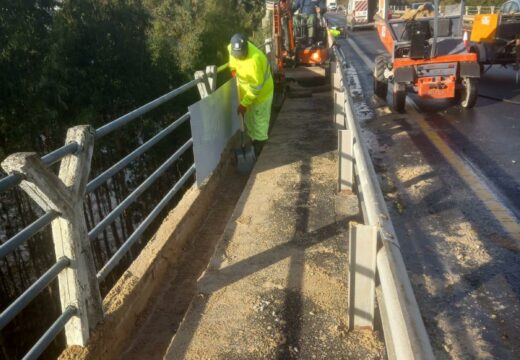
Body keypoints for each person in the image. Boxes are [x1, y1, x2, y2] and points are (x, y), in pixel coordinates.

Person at [228, 33, 274, 156]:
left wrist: (244, 104)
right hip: (245, 92)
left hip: (261, 95)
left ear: (246, 49)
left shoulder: (255, 60)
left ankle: (260, 153)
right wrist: (233, 71)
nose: (239, 58)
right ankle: (253, 144)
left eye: (241, 56)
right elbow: (232, 63)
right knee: (249, 122)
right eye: (236, 56)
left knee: (259, 124)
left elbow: (256, 88)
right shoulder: (231, 48)